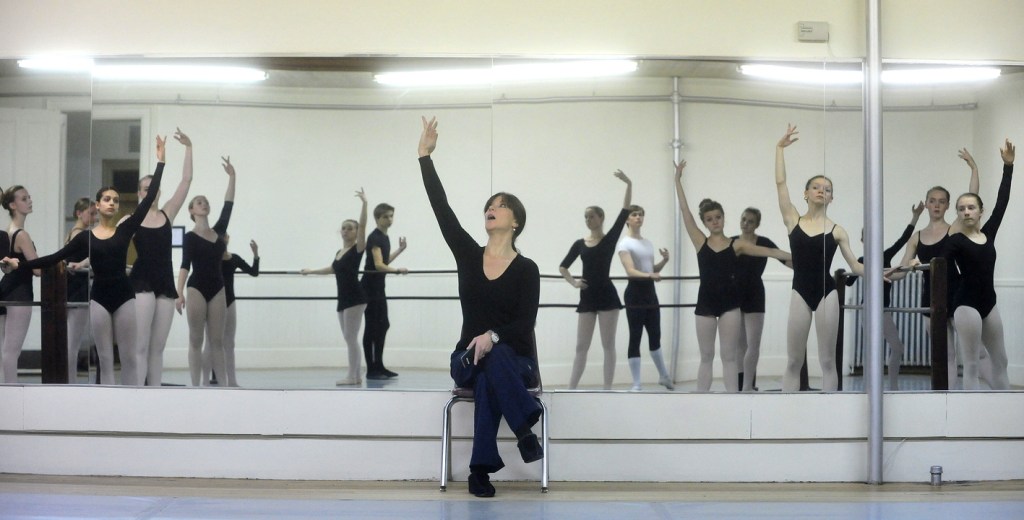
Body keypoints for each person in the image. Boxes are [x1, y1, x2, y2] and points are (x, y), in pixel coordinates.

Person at [418, 116, 542, 498]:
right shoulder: (469, 256)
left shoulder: (527, 269)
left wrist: (491, 336)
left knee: (495, 364)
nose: (492, 208)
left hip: (512, 361)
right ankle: (524, 426)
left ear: (515, 221)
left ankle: (480, 472)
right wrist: (425, 156)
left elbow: (524, 324)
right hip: (464, 359)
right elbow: (443, 211)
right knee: (484, 362)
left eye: (501, 206)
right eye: (489, 205)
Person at [18, 137, 166, 385]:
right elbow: (54, 258)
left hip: (125, 297)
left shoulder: (126, 228)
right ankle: (107, 411)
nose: (112, 203)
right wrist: (19, 264)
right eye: (107, 199)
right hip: (99, 297)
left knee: (129, 358)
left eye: (116, 200)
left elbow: (149, 198)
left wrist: (161, 161)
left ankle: (132, 407)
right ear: (97, 205)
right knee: (105, 359)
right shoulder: (85, 237)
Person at [675, 160, 791, 392]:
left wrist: (801, 257)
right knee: (706, 356)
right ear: (704, 222)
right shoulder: (700, 241)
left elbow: (769, 251)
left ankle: (733, 404)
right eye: (709, 219)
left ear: (724, 218)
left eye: (718, 217)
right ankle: (702, 401)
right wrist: (677, 180)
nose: (715, 221)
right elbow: (685, 212)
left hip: (730, 306)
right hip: (706, 304)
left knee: (729, 357)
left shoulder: (736, 245)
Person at [775, 124, 864, 392]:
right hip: (799, 291)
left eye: (826, 189)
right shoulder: (793, 219)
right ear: (806, 193)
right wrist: (779, 148)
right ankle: (787, 413)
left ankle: (829, 415)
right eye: (815, 187)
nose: (820, 191)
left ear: (831, 198)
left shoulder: (837, 230)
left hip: (827, 294)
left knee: (827, 361)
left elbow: (855, 265)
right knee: (793, 360)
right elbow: (780, 183)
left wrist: (881, 272)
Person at [893, 148, 981, 388]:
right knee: (943, 355)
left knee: (968, 355)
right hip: (930, 299)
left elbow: (973, 196)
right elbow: (900, 270)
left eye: (942, 202)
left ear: (948, 205)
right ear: (927, 204)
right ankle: (944, 399)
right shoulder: (917, 236)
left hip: (957, 297)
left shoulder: (954, 229)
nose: (937, 205)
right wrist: (887, 273)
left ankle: (967, 396)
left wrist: (973, 168)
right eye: (932, 201)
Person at [944, 139, 1014, 390]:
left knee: (1001, 360)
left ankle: (1004, 410)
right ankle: (969, 417)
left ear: (980, 211)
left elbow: (1002, 202)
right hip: (966, 304)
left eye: (971, 207)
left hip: (989, 302)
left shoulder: (989, 233)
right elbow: (940, 262)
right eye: (961, 209)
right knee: (972, 364)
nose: (966, 212)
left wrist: (1008, 167)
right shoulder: (956, 240)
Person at [127, 128, 193, 386]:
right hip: (142, 282)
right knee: (141, 346)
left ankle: (155, 396)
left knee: (157, 347)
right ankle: (137, 396)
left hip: (165, 283)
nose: (150, 191)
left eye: (153, 187)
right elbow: (109, 242)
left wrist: (188, 148)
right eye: (145, 188)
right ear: (139, 194)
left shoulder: (168, 214)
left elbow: (186, 181)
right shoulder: (131, 220)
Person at [559, 170, 631, 390]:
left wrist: (629, 183)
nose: (588, 219)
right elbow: (563, 266)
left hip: (607, 296)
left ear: (601, 218)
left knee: (608, 344)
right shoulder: (580, 243)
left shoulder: (609, 240)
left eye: (592, 216)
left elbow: (624, 211)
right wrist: (574, 282)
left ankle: (607, 388)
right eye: (586, 217)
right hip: (587, 296)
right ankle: (572, 387)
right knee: (582, 346)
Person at [847, 203, 924, 390]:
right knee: (873, 350)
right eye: (868, 237)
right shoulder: (862, 261)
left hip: (884, 311)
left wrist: (915, 216)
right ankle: (869, 388)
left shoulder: (885, 255)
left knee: (897, 347)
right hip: (870, 310)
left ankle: (893, 387)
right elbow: (848, 282)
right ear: (863, 240)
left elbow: (904, 239)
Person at [175, 156, 236, 387]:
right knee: (195, 339)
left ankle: (224, 386)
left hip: (218, 287)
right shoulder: (189, 237)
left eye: (205, 201)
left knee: (217, 340)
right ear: (191, 210)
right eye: (199, 202)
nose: (204, 203)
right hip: (196, 287)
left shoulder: (219, 231)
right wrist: (179, 293)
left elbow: (228, 205)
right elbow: (184, 264)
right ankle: (195, 386)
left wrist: (232, 176)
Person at [301, 189, 368, 386]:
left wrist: (364, 204)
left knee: (350, 337)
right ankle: (355, 375)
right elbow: (331, 268)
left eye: (349, 228)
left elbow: (363, 225)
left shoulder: (357, 248)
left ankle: (353, 376)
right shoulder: (340, 251)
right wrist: (311, 271)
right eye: (344, 228)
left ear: (356, 233)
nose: (345, 230)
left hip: (355, 297)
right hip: (343, 298)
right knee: (349, 338)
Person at [617, 205, 672, 392]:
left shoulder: (648, 243)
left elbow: (651, 271)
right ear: (628, 220)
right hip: (635, 293)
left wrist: (664, 261)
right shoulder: (625, 244)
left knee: (655, 334)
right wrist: (650, 276)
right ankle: (637, 383)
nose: (638, 217)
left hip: (650, 293)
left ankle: (664, 375)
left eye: (641, 214)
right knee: (636, 335)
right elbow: (631, 270)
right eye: (634, 214)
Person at [731, 207, 786, 391]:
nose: (746, 224)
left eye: (750, 221)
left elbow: (782, 257)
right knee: (740, 344)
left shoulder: (763, 242)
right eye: (743, 219)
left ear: (757, 224)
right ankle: (741, 384)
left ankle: (748, 384)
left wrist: (805, 268)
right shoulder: (732, 242)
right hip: (734, 294)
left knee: (753, 344)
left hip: (754, 294)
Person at [202, 233, 259, 387]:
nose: (224, 238)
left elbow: (254, 272)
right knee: (210, 342)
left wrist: (255, 255)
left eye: (225, 235)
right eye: (221, 235)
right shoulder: (210, 258)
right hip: (213, 300)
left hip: (230, 301)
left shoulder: (234, 258)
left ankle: (232, 381)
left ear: (228, 238)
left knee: (229, 343)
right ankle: (205, 381)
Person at [360, 200, 407, 380]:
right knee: (372, 327)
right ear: (378, 218)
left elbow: (384, 261)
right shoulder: (375, 237)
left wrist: (400, 250)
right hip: (369, 288)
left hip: (378, 287)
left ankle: (379, 365)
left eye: (391, 216)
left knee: (383, 325)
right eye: (386, 216)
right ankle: (372, 369)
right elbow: (379, 265)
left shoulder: (384, 237)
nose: (390, 219)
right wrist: (397, 271)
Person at [0, 185, 40, 383]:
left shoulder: (7, 232)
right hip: (20, 294)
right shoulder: (22, 235)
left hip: (5, 290)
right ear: (13, 205)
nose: (30, 200)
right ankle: (11, 393)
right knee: (11, 352)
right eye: (24, 198)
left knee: (5, 350)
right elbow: (38, 269)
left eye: (29, 197)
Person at [65, 197, 97, 383]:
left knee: (71, 341)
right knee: (73, 343)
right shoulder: (81, 235)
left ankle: (70, 380)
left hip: (73, 287)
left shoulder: (72, 233)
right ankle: (71, 381)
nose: (94, 217)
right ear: (79, 213)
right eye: (91, 213)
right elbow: (92, 258)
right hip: (78, 289)